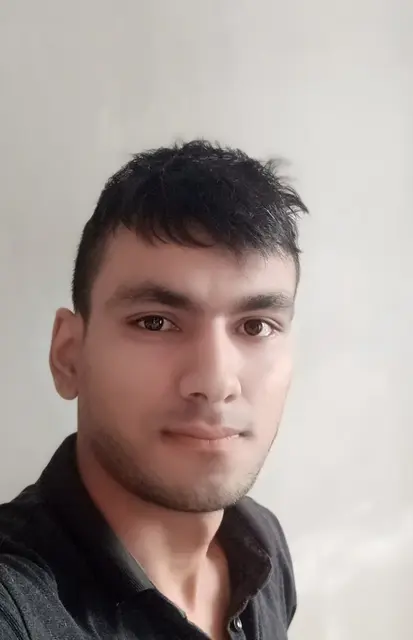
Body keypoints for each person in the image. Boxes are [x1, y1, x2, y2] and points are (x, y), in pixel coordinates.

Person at [0, 140, 308, 639]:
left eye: (256, 326)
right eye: (155, 322)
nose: (214, 383)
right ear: (69, 355)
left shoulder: (261, 545)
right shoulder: (15, 605)